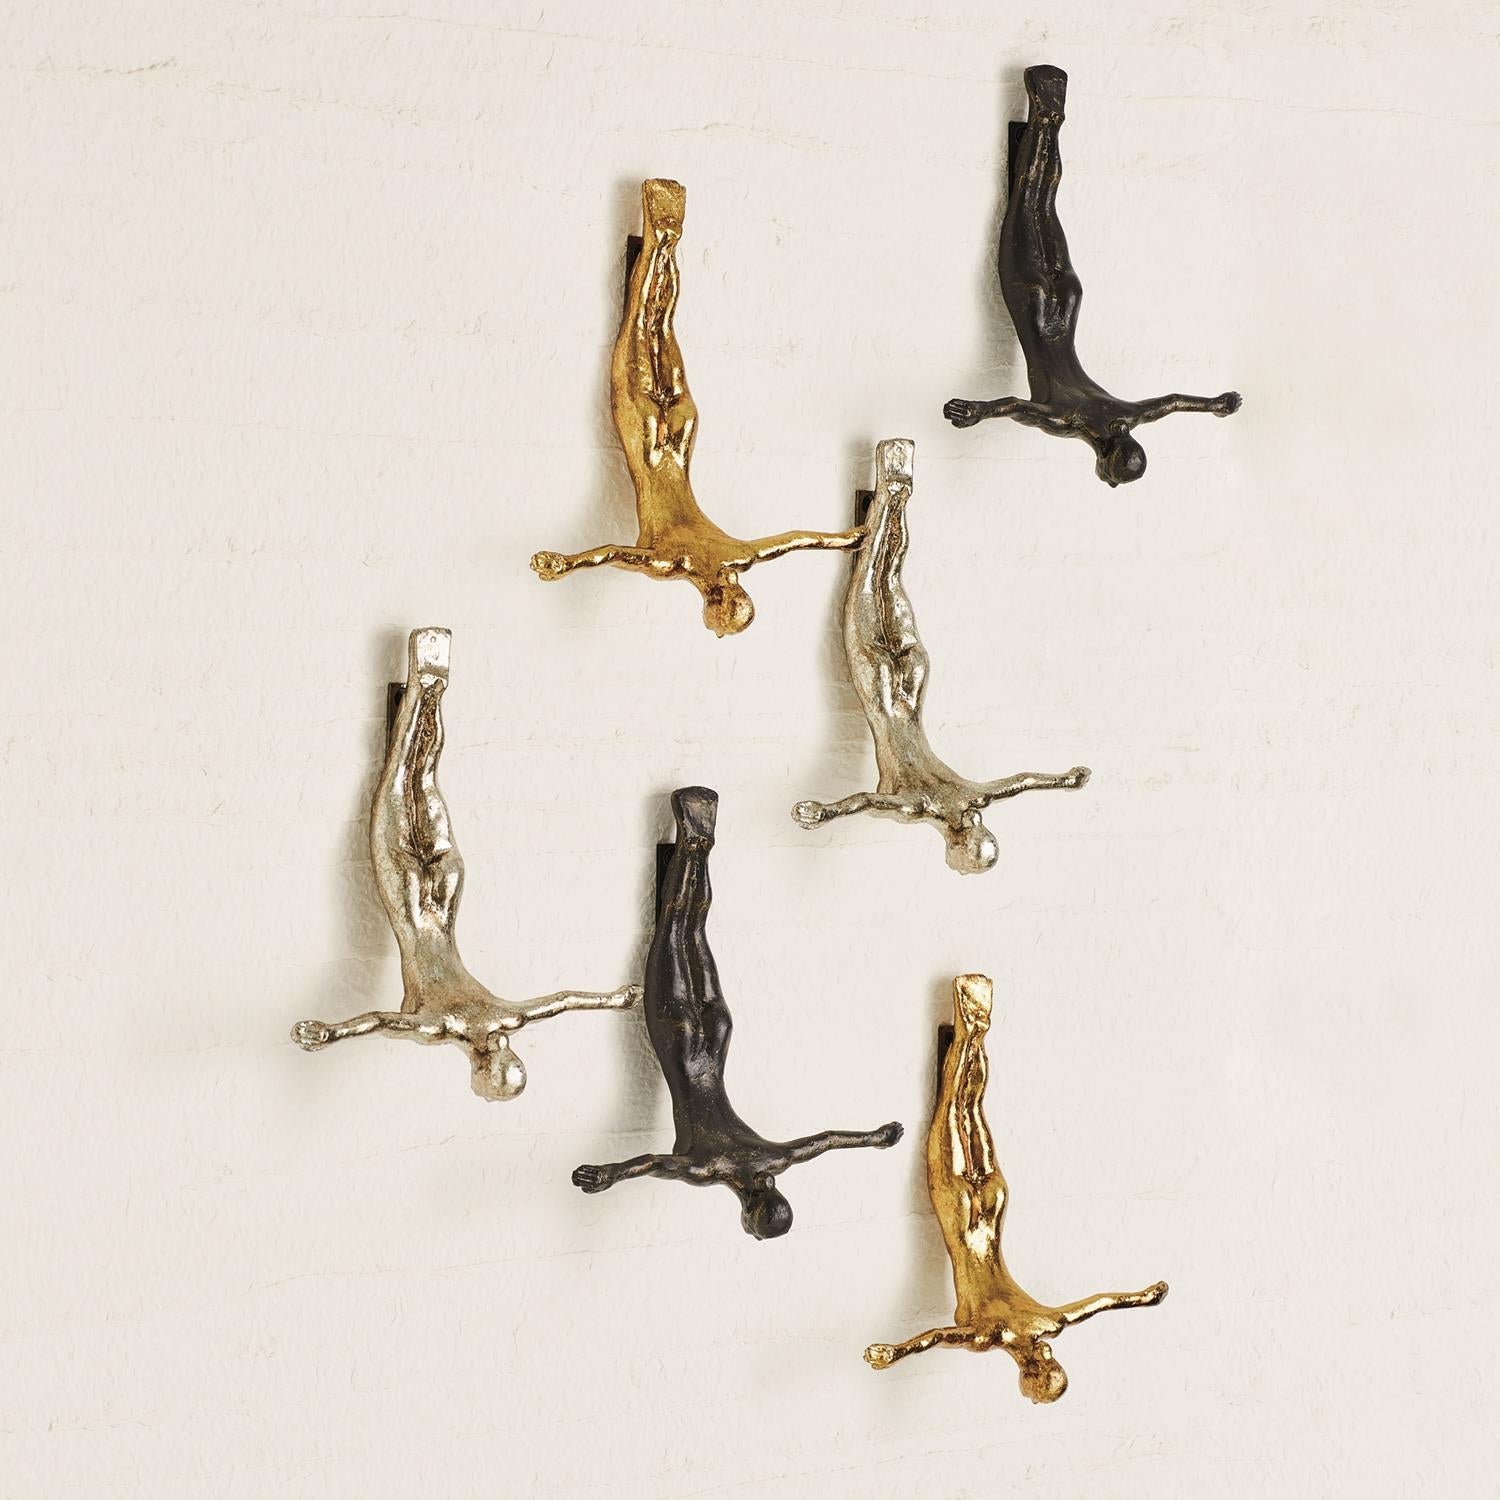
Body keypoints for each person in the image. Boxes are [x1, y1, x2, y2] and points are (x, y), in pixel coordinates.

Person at [291, 628, 640, 1100]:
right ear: (479, 1070)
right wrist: (331, 1033)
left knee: (421, 780)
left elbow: (562, 1002)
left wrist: (616, 1000)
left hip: (441, 894)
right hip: (419, 904)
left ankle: (430, 688)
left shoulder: (496, 1019)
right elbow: (381, 1023)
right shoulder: (447, 1025)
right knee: (404, 781)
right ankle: (425, 687)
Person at [531, 179, 863, 635]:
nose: (712, 627)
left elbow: (793, 541)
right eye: (716, 624)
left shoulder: (738, 556)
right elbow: (613, 555)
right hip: (649, 441)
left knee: (662, 327)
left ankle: (666, 240)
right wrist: (567, 564)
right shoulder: (674, 563)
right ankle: (659, 239)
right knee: (640, 325)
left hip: (682, 436)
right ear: (715, 603)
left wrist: (845, 540)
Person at [572, 787, 902, 1237]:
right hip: (683, 1047)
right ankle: (693, 839)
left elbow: (824, 1142)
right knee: (674, 927)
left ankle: (699, 842)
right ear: (747, 1213)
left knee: (694, 931)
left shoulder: (774, 1159)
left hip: (716, 1040)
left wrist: (876, 1138)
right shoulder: (707, 1167)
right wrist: (611, 1174)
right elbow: (655, 1164)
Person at [864, 974, 1168, 1399]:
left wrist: (1143, 1297)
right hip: (963, 1213)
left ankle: (976, 1028)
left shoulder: (1047, 1323)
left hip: (992, 1207)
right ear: (1025, 1376)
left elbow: (1098, 1304)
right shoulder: (990, 1335)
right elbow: (937, 1338)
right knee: (954, 1108)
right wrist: (895, 1353)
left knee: (971, 1108)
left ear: (1045, 1364)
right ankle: (969, 1029)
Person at [791, 439, 1088, 873]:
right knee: (887, 579)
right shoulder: (967, 799)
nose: (978, 823)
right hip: (907, 691)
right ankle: (897, 492)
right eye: (985, 831)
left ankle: (893, 490)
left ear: (958, 843)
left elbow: (867, 802)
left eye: (976, 835)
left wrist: (827, 812)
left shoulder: (920, 806)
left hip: (888, 690)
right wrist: (1062, 780)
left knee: (874, 580)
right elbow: (1021, 783)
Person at [943, 65, 1240, 485]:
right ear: (1103, 461)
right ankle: (1046, 113)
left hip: (1067, 302)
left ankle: (1050, 117)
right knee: (1028, 198)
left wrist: (1216, 405)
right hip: (1034, 307)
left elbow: (1172, 402)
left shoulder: (1127, 415)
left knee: (1044, 203)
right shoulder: (1065, 419)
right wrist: (979, 411)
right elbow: (1017, 408)